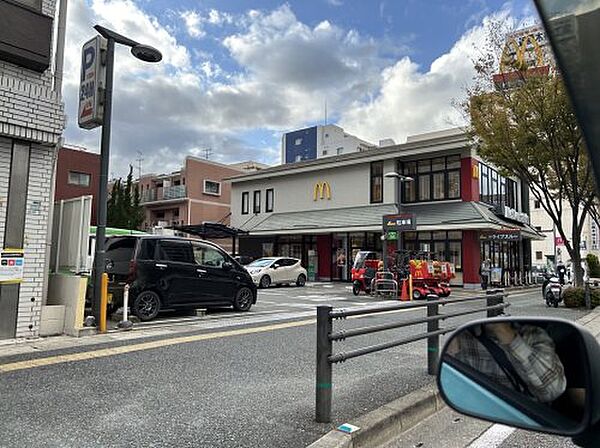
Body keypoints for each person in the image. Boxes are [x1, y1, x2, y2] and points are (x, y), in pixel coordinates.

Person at [447, 322, 567, 403]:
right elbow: (452, 383)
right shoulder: (463, 337)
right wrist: (452, 353)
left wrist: (510, 338)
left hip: (522, 407)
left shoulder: (532, 335)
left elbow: (553, 389)